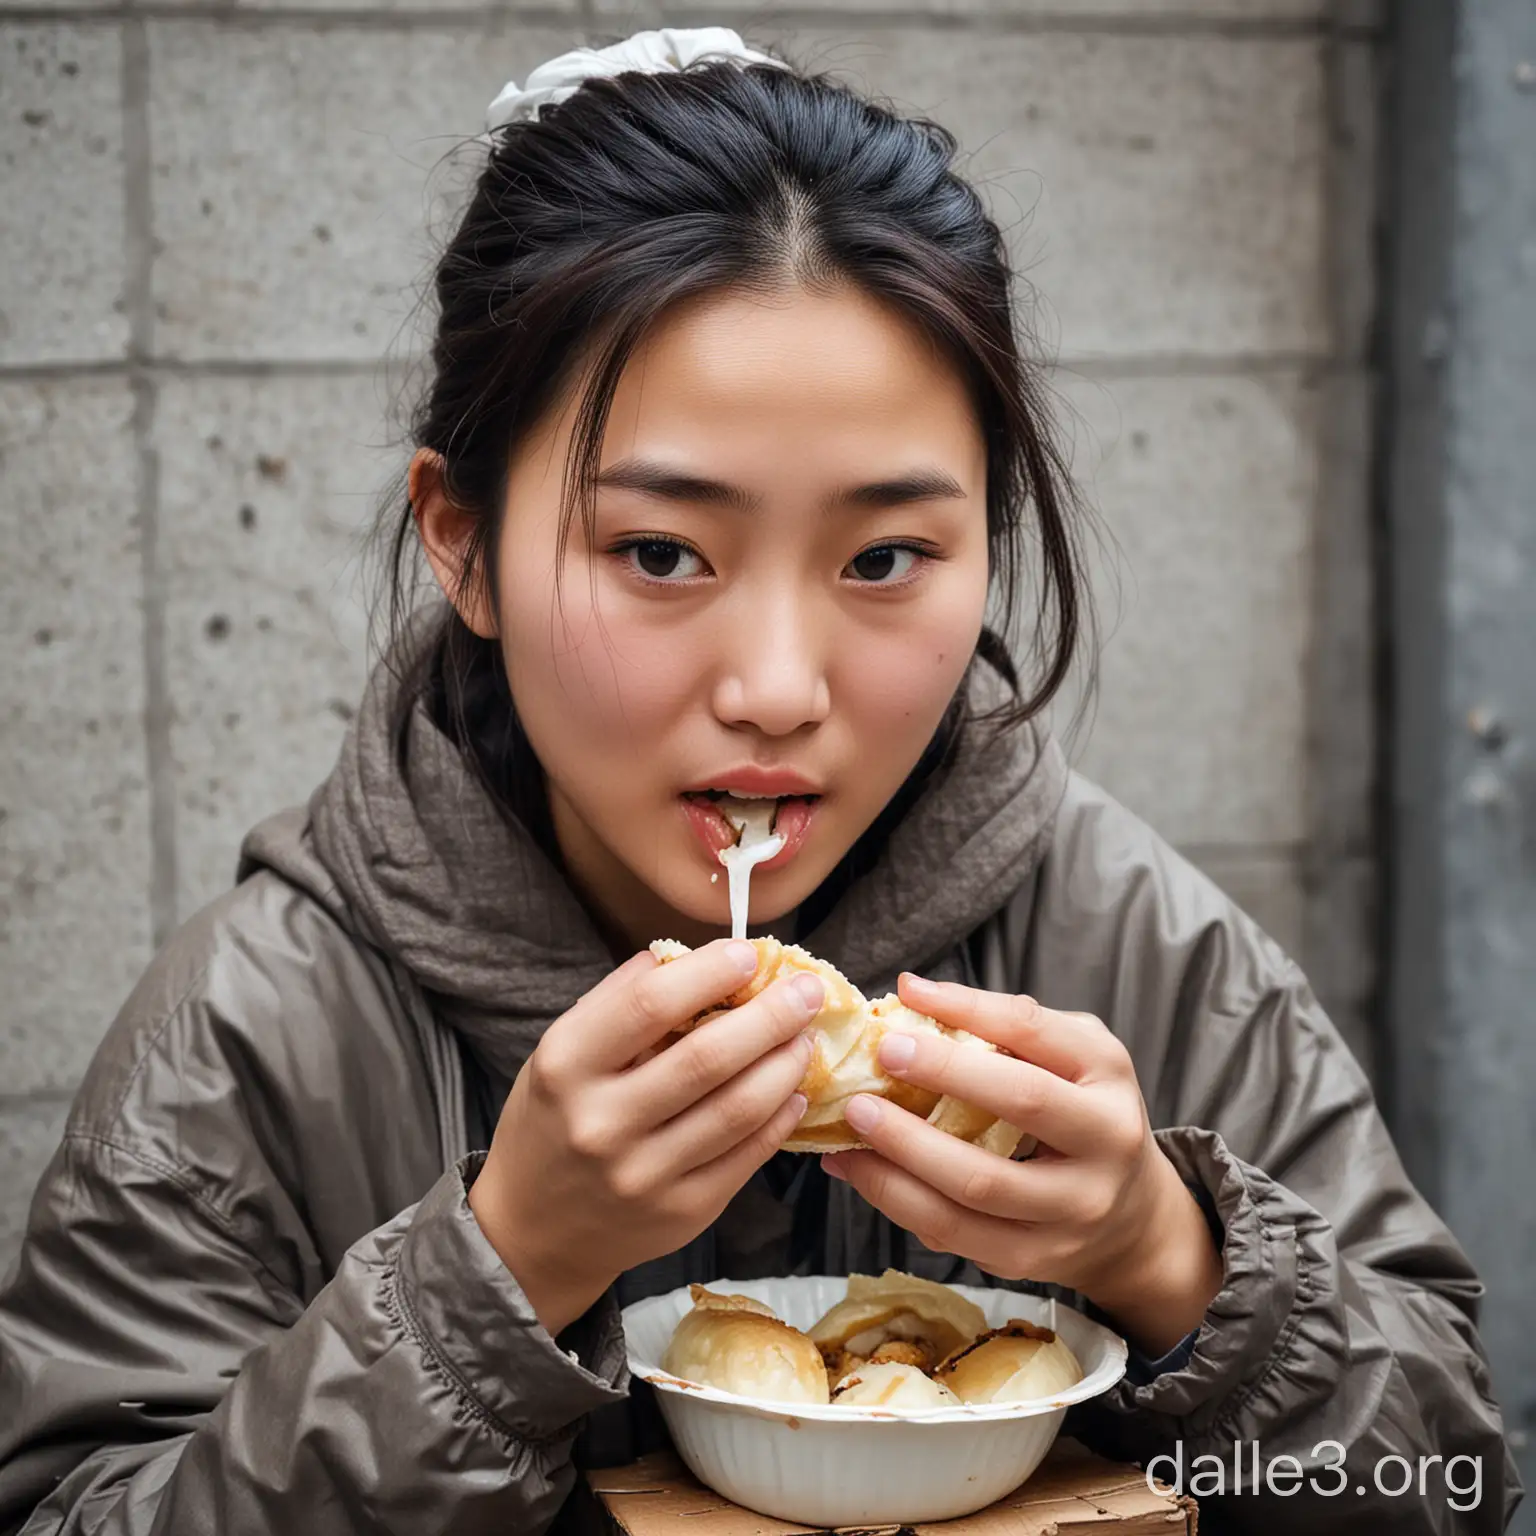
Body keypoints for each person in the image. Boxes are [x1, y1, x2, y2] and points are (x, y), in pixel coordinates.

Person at [0, 26, 1520, 1536]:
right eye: (661, 553)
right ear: (461, 542)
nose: (779, 687)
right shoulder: (254, 1044)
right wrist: (498, 1275)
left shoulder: (1137, 957)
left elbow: (1453, 1487)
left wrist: (1172, 1261)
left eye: (884, 559)